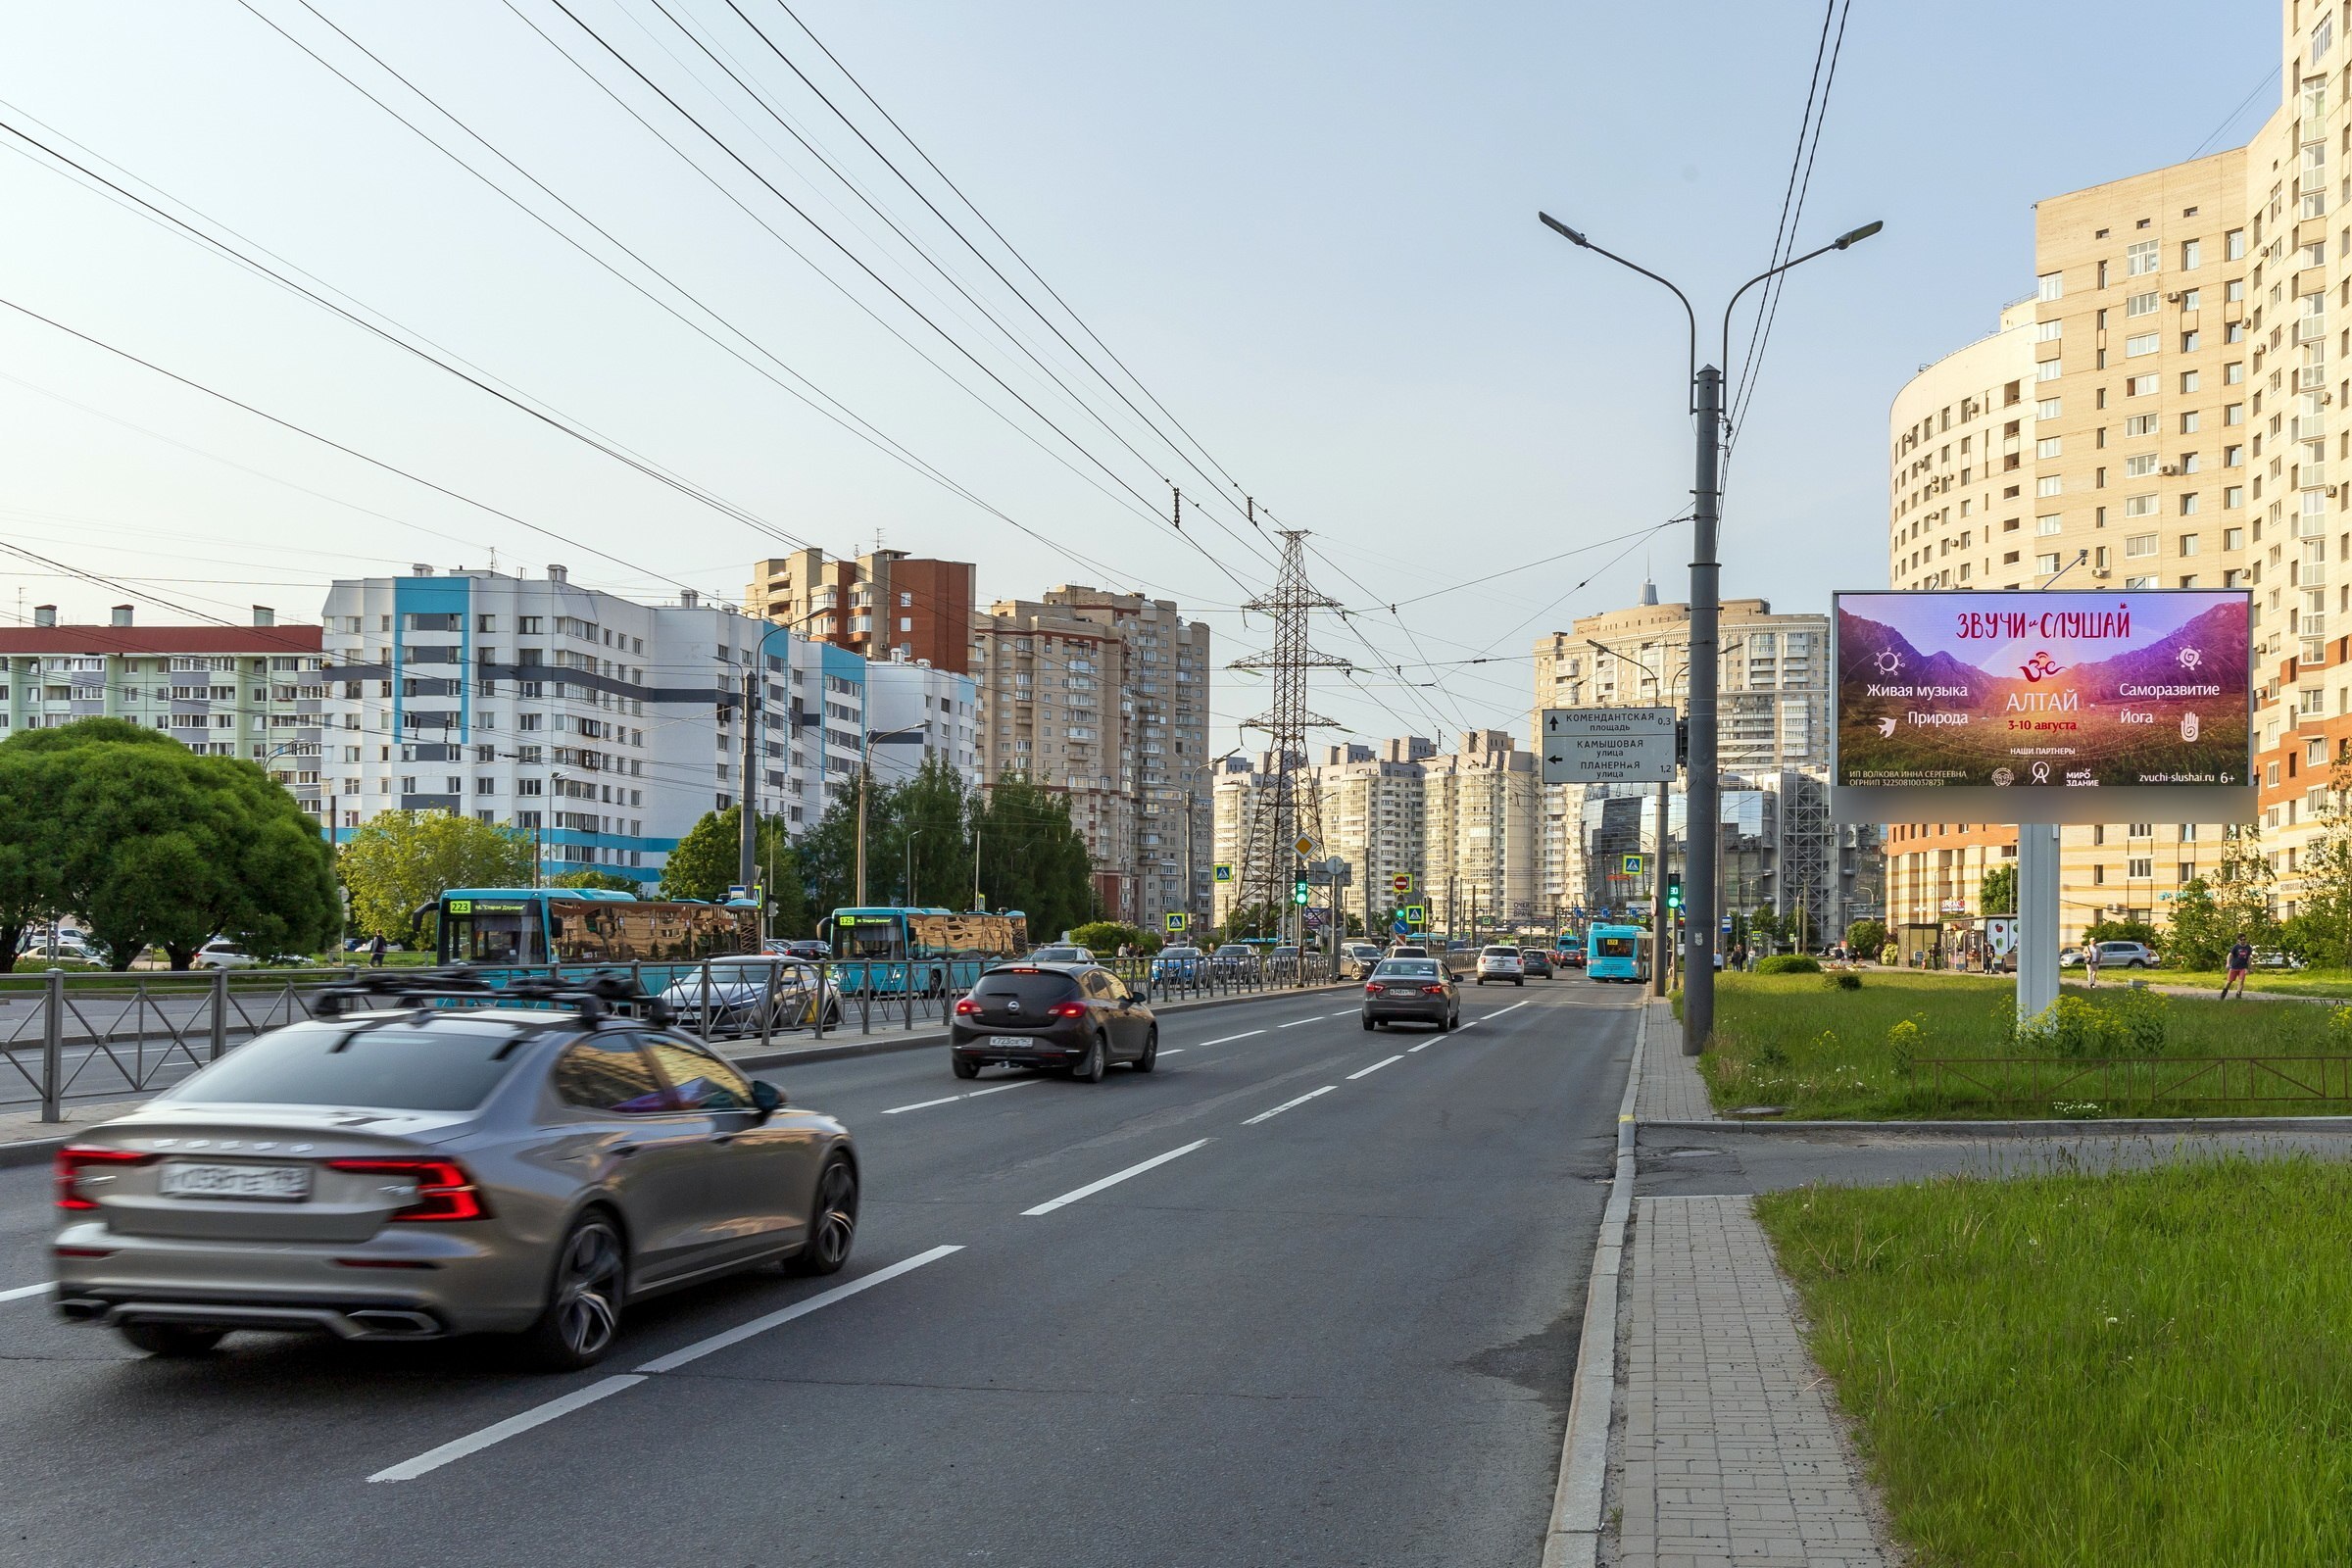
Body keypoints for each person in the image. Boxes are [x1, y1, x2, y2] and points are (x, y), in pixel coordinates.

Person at [2221, 936, 2253, 1000]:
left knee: (2241, 980)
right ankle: (2224, 993)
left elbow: (2249, 957)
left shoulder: (2248, 947)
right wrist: (2228, 963)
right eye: (2241, 939)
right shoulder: (2236, 947)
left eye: (2244, 939)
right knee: (2229, 981)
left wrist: (2250, 967)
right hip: (2234, 967)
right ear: (2238, 940)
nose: (2243, 941)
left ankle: (2238, 995)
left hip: (2243, 967)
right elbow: (2230, 955)